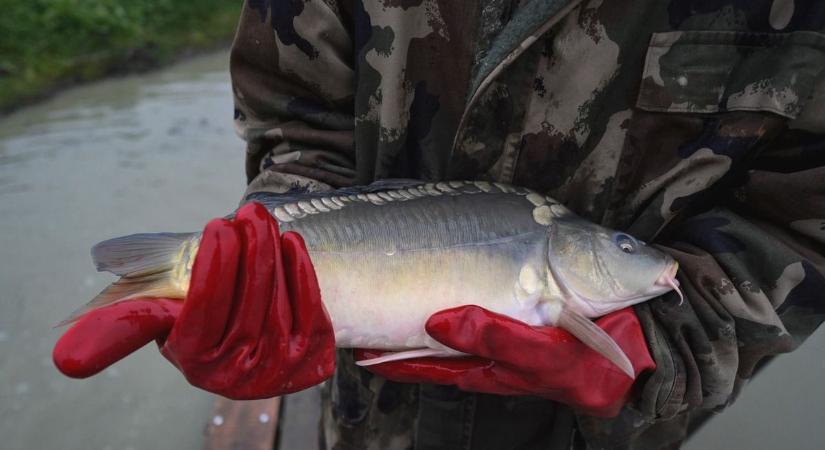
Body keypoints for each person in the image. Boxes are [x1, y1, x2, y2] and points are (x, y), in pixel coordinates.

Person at [54, 1, 825, 448]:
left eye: (624, 250)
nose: (644, 262)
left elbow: (797, 222)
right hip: (365, 416)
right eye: (622, 251)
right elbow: (296, 121)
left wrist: (667, 348)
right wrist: (262, 266)